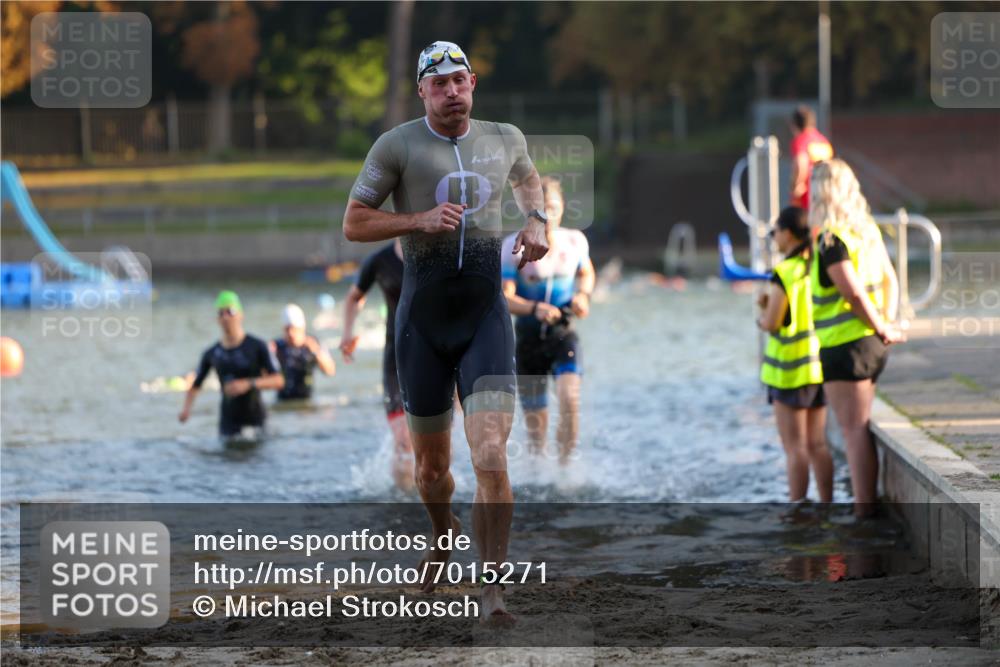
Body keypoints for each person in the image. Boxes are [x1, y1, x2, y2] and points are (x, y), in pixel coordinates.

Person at [342, 40, 548, 624]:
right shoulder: (397, 145)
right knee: (430, 472)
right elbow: (354, 222)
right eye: (440, 84)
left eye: (460, 80)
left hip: (484, 316)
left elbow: (529, 181)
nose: (452, 91)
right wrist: (417, 220)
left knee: (489, 452)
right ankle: (441, 532)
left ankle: (494, 589)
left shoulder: (505, 137)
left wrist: (536, 218)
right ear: (423, 92)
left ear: (474, 82)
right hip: (422, 325)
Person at [809, 159, 904, 516]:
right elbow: (890, 280)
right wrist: (887, 326)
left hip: (845, 347)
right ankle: (867, 506)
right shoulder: (865, 230)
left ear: (821, 193)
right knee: (859, 427)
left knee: (853, 430)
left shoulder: (831, 239)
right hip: (871, 346)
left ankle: (865, 513)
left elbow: (853, 295)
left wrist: (880, 326)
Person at [501, 176, 595, 465]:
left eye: (553, 208)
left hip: (562, 334)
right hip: (528, 341)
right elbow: (504, 297)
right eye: (541, 209)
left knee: (570, 399)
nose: (548, 216)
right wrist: (533, 309)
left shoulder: (575, 241)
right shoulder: (512, 248)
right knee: (536, 432)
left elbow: (587, 274)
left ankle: (565, 470)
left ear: (563, 207)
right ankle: (540, 478)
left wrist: (583, 296)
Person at [757, 207, 832, 503]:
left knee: (795, 448)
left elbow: (773, 321)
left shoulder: (784, 272)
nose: (773, 236)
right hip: (817, 368)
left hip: (788, 372)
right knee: (818, 445)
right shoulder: (816, 266)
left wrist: (761, 312)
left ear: (788, 234)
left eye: (775, 230)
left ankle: (797, 509)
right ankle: (828, 504)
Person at [339, 239, 414, 492]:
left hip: (436, 357)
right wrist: (348, 334)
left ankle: (435, 501)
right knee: (403, 440)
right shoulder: (380, 260)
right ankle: (404, 502)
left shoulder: (436, 255)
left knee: (433, 444)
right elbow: (354, 298)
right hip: (396, 359)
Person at [179, 291, 284, 443]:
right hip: (228, 424)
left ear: (241, 314)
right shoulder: (212, 353)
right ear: (217, 319)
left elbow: (279, 380)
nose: (226, 317)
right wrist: (186, 411)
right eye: (221, 313)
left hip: (256, 420)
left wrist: (249, 383)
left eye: (230, 311)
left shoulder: (257, 346)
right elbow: (195, 386)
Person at [271, 303, 336, 403]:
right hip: (283, 402)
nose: (291, 334)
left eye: (294, 329)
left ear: (302, 328)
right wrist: (267, 355)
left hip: (306, 402)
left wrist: (316, 352)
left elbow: (330, 371)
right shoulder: (277, 346)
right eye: (287, 329)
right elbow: (265, 376)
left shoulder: (314, 343)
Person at [789, 106, 833, 210]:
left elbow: (801, 163)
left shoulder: (800, 140)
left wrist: (796, 186)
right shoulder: (823, 141)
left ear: (794, 124)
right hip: (826, 195)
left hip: (807, 198)